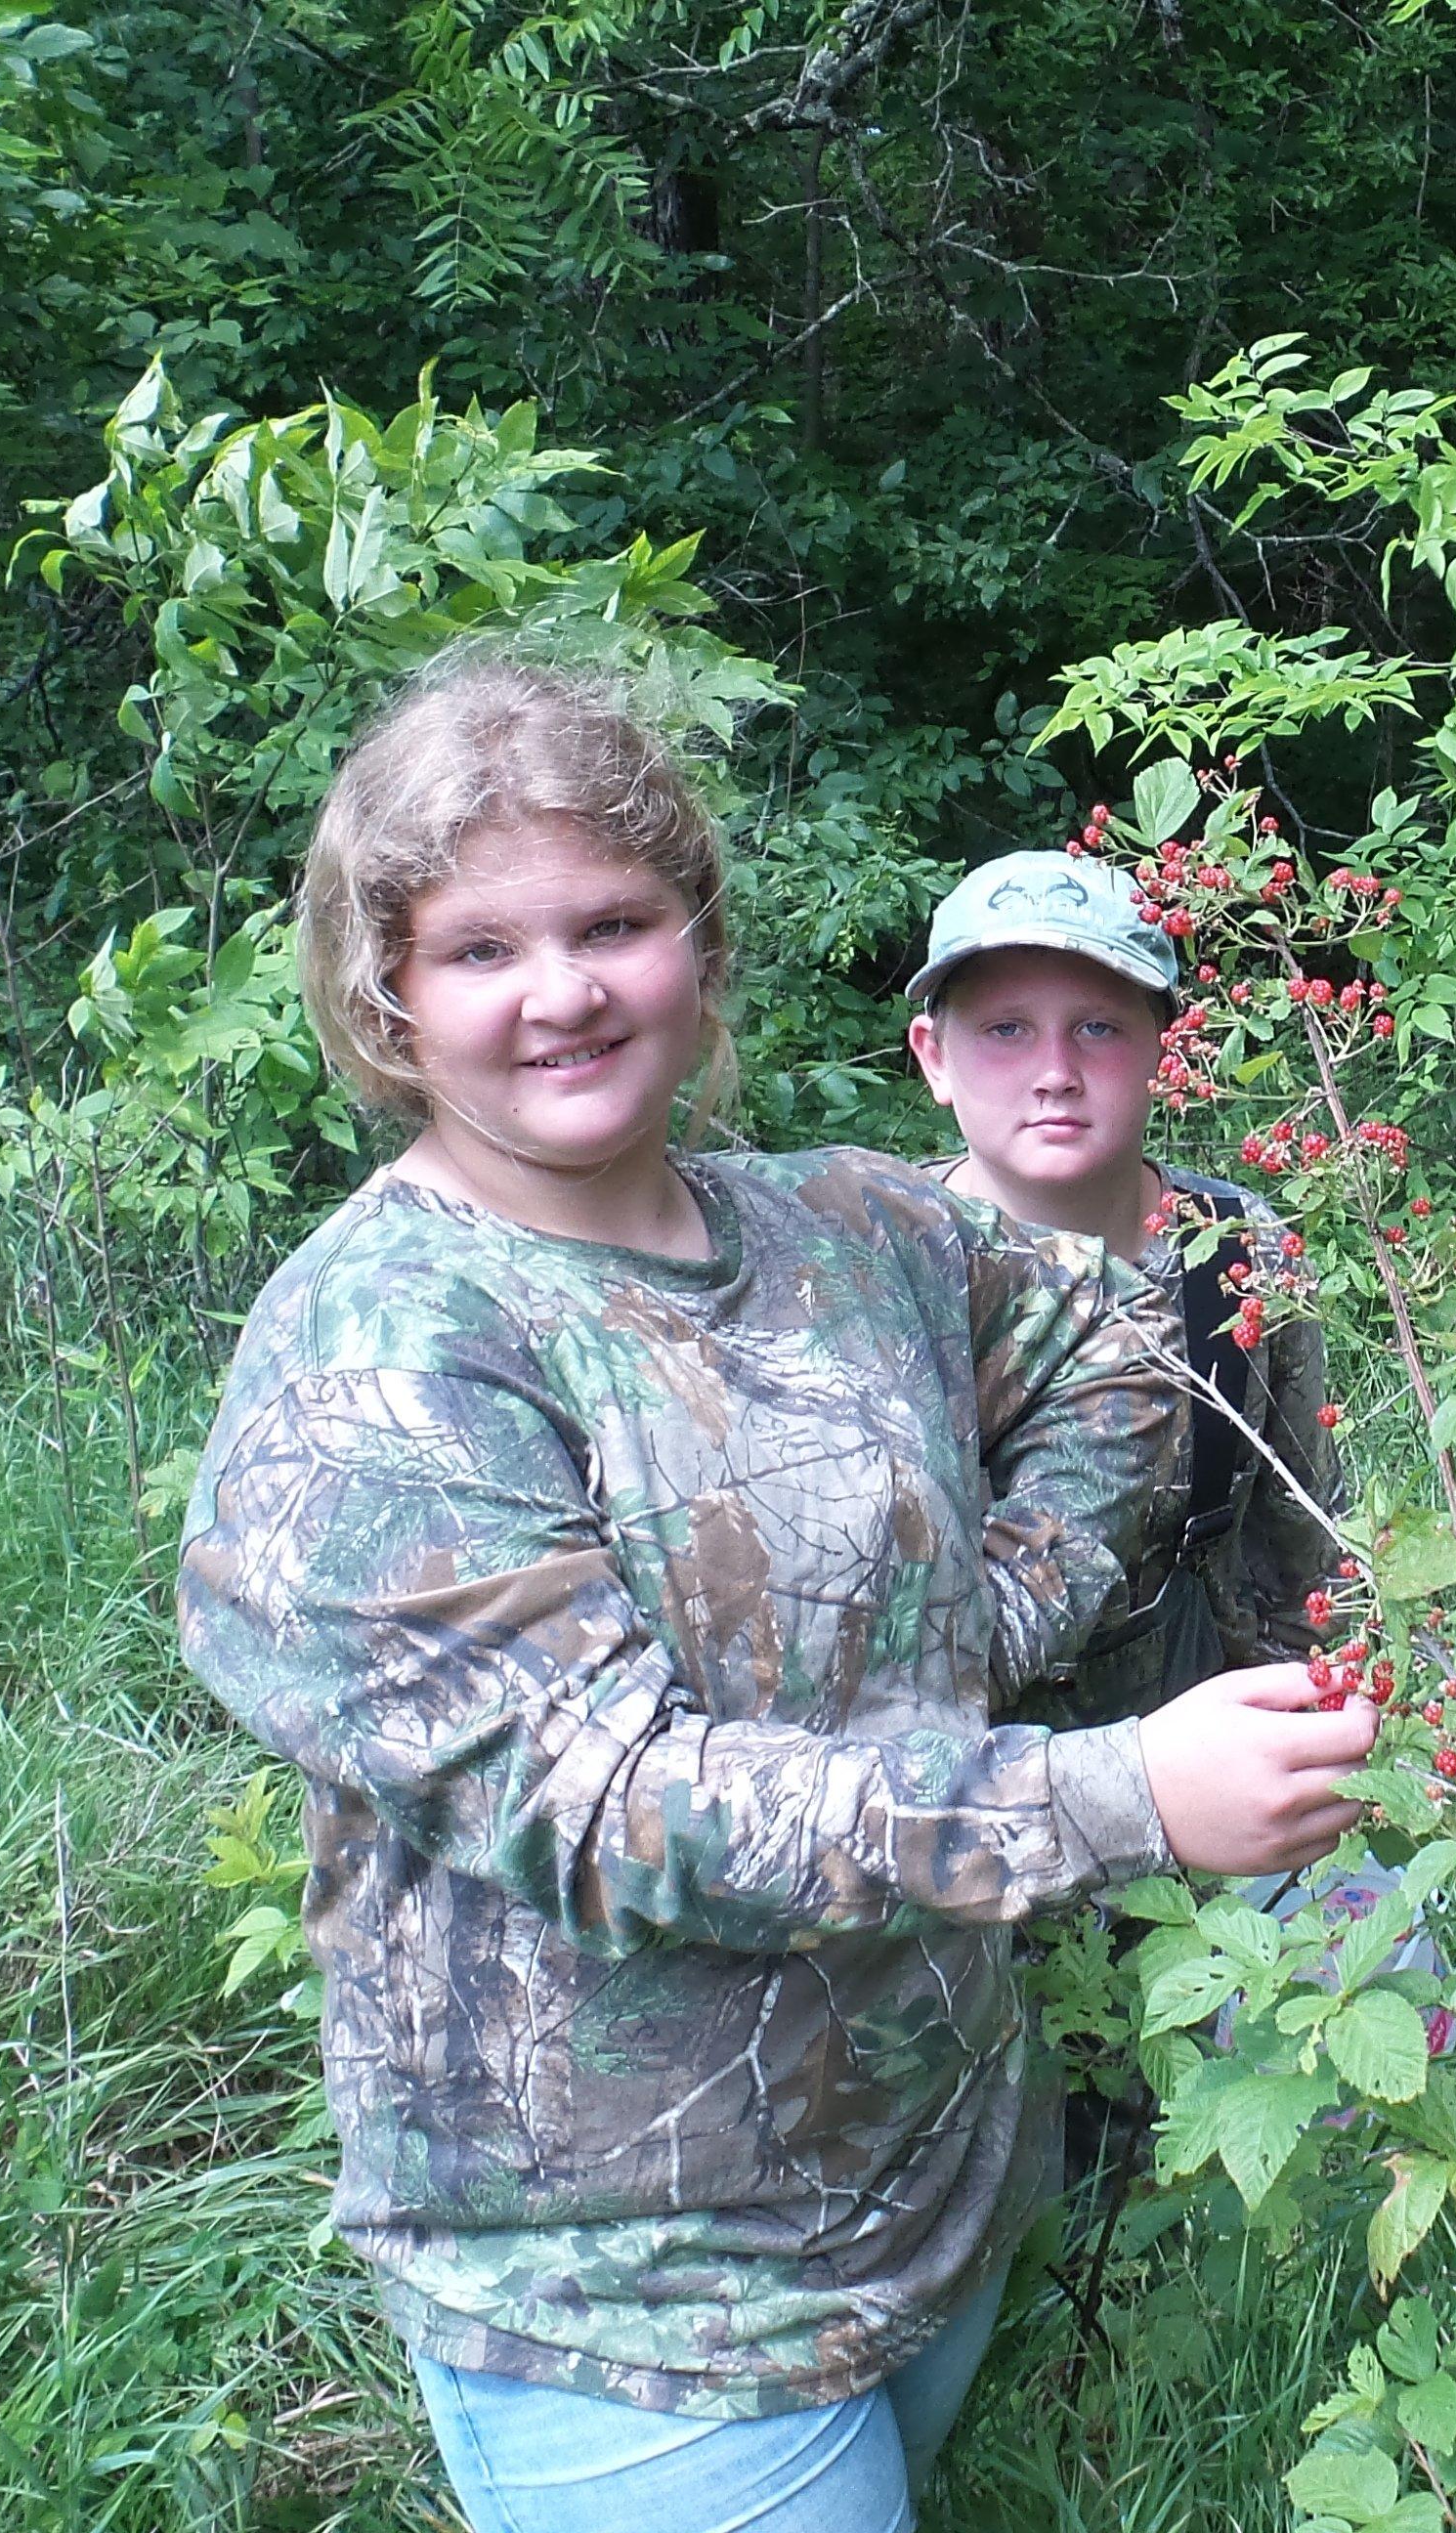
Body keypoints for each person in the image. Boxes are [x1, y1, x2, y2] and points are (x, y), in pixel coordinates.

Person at [174, 656, 1374, 2533]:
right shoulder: (383, 1354)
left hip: (942, 2184)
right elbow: (613, 1805)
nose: (560, 991)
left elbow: (1128, 1354)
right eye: (481, 948)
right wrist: (1116, 1789)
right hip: (632, 2305)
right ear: (385, 993)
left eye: (614, 924)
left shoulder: (850, 1229)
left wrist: (990, 1615)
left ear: (699, 949)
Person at [901, 848, 1347, 1729]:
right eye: (1006, 1030)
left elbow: (1306, 1550)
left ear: (1167, 1053)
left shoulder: (1240, 1256)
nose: (1056, 1070)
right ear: (934, 1057)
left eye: (1099, 1028)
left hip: (1201, 1762)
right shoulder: (871, 1264)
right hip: (945, 1794)